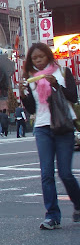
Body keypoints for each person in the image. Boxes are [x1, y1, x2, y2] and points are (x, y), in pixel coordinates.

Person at [20, 42, 80, 230]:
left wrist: (56, 86)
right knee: (46, 174)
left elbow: (73, 96)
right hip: (43, 127)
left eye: (41, 57)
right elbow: (32, 108)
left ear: (48, 56)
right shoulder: (31, 78)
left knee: (65, 173)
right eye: (34, 59)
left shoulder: (62, 72)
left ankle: (78, 204)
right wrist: (22, 94)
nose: (38, 61)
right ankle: (52, 216)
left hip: (63, 127)